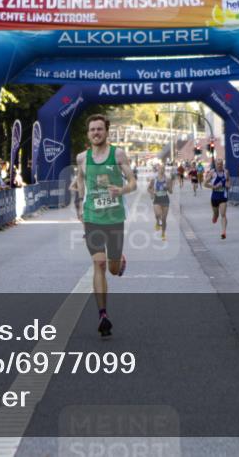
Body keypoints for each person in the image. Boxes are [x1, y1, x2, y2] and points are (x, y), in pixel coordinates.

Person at [75, 114, 136, 338]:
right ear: (88, 133)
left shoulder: (117, 154)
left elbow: (133, 182)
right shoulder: (82, 158)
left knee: (112, 268)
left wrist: (122, 190)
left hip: (114, 218)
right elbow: (80, 180)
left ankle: (119, 261)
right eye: (92, 130)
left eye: (99, 129)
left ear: (106, 132)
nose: (96, 133)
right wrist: (81, 205)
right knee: (98, 263)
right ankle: (103, 315)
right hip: (92, 217)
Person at [203, 157, 230, 240]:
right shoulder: (212, 172)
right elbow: (205, 183)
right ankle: (215, 216)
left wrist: (227, 185)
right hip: (214, 196)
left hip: (223, 196)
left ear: (223, 164)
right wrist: (213, 187)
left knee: (223, 214)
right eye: (218, 164)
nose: (219, 165)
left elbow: (228, 181)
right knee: (216, 214)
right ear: (215, 165)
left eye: (221, 164)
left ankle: (223, 232)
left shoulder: (226, 172)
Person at [147, 162, 172, 241]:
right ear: (157, 170)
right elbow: (148, 188)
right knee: (158, 215)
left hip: (165, 199)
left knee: (164, 219)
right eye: (160, 169)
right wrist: (152, 193)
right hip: (157, 198)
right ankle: (157, 222)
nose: (161, 170)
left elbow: (171, 191)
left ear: (164, 170)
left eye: (163, 169)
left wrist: (168, 188)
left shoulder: (168, 179)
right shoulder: (154, 179)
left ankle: (163, 234)